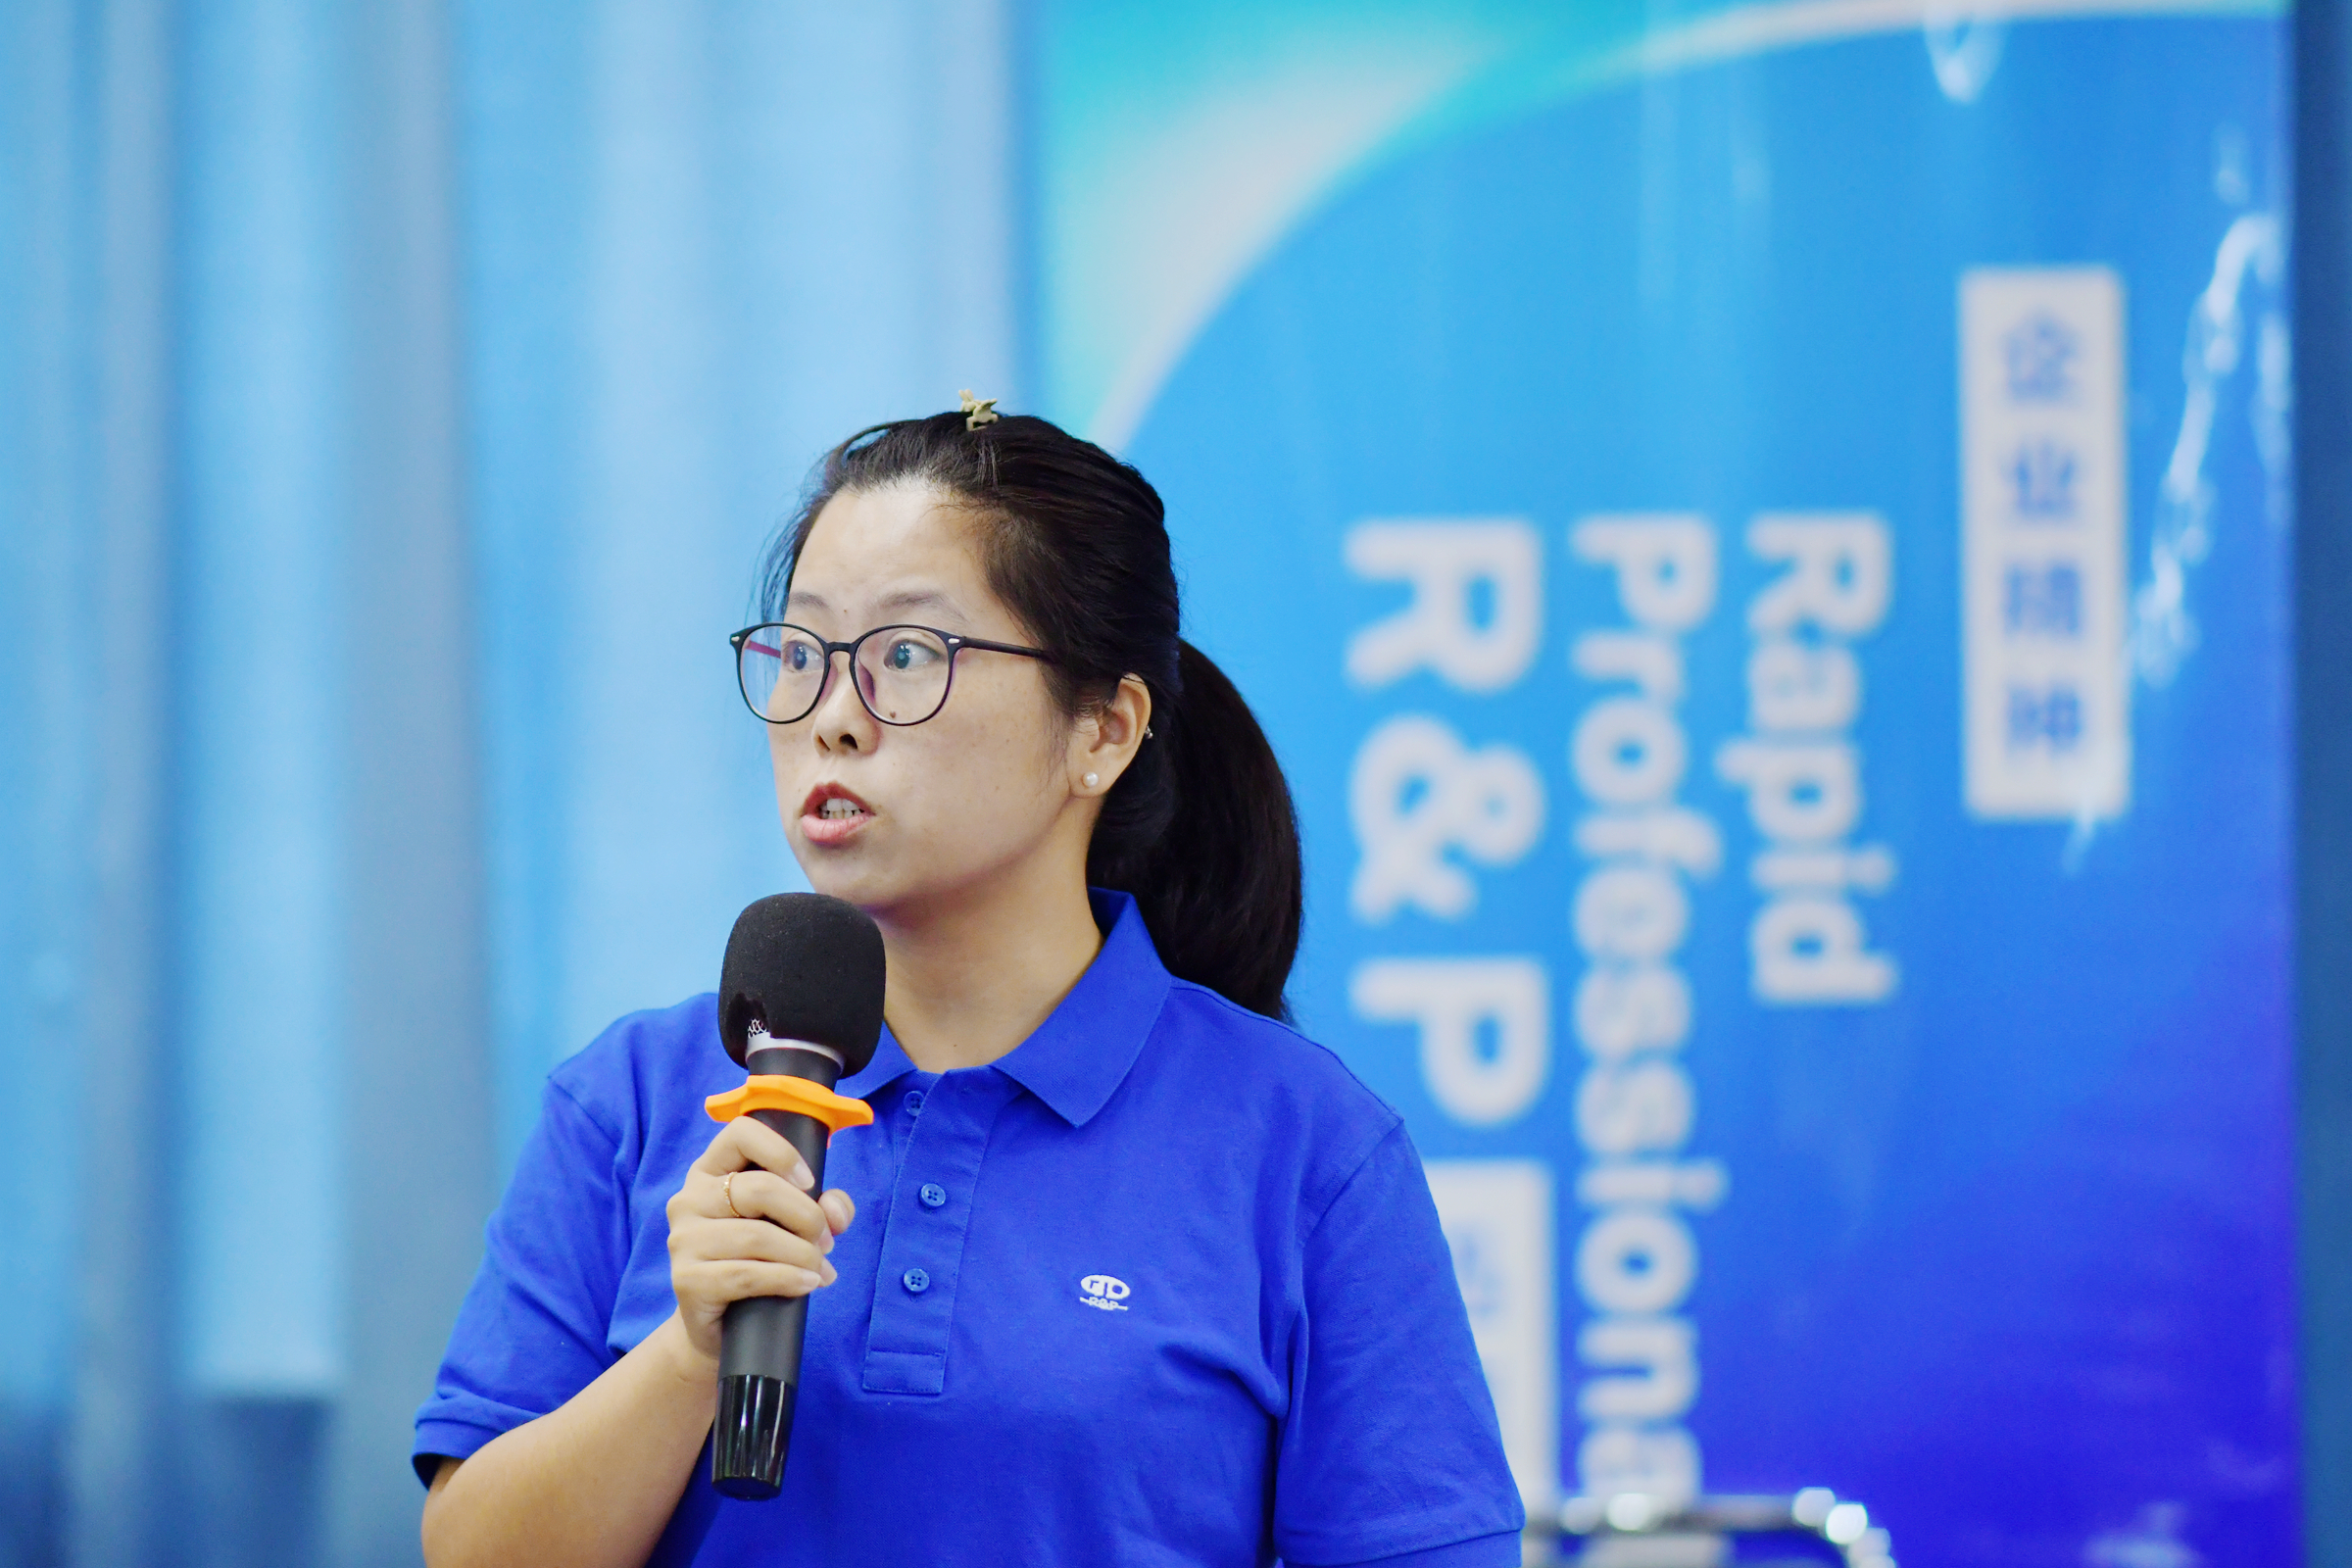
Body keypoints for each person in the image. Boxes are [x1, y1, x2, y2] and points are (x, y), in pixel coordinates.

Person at [414, 405, 1525, 1567]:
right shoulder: (632, 1098)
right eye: (803, 654)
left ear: (1102, 729)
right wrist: (691, 1350)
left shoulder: (1306, 1145)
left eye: (906, 656)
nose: (832, 720)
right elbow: (470, 1552)